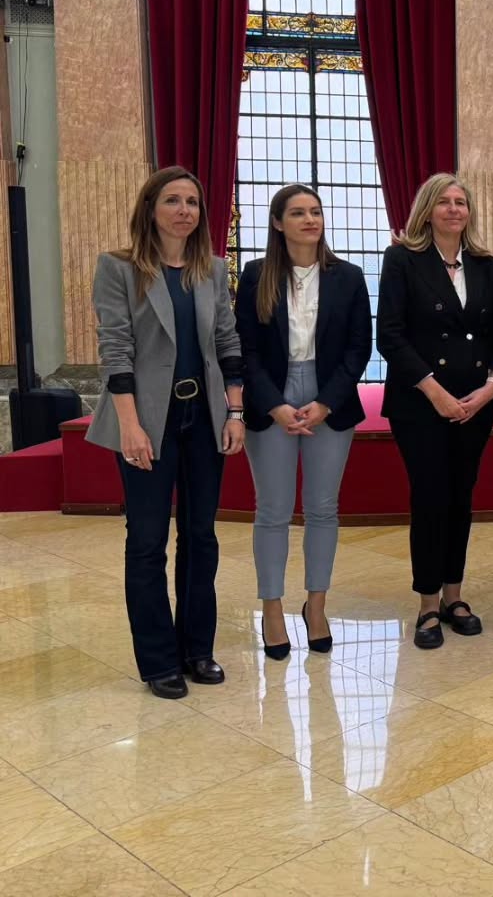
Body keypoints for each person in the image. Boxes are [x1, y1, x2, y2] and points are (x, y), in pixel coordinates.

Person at [88, 166, 245, 699]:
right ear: (150, 209)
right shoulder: (120, 268)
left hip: (202, 421)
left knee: (201, 537)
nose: (184, 210)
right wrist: (131, 427)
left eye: (193, 202)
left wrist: (236, 412)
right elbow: (116, 350)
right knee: (148, 541)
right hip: (145, 423)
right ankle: (158, 661)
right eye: (173, 200)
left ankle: (197, 649)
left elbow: (228, 344)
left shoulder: (212, 270)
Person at [235, 184, 372, 660]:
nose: (310, 219)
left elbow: (359, 348)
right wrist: (272, 403)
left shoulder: (348, 276)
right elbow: (244, 349)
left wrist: (327, 402)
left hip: (328, 398)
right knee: (272, 509)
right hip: (270, 398)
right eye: (298, 213)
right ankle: (272, 610)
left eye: (315, 211)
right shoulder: (254, 276)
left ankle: (316, 605)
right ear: (278, 223)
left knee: (322, 508)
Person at [377, 173, 493, 649]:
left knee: (460, 498)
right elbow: (389, 334)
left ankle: (455, 596)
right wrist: (434, 391)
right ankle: (428, 603)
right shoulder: (402, 260)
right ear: (427, 210)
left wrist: (492, 386)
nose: (454, 209)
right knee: (430, 498)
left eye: (461, 202)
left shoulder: (485, 265)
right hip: (421, 402)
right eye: (444, 202)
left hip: (475, 403)